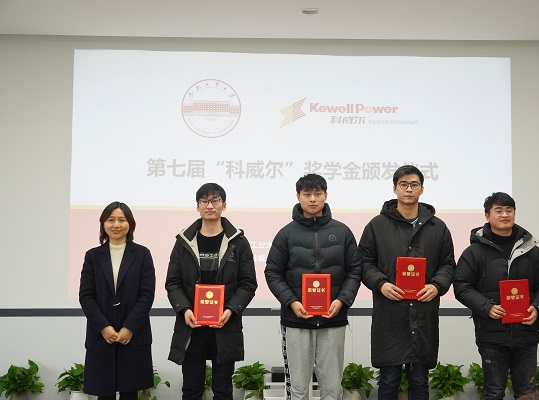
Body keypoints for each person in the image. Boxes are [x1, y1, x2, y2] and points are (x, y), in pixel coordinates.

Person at [359, 165, 456, 400]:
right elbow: (364, 263)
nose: (409, 189)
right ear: (395, 189)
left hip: (423, 313)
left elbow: (448, 264)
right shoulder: (377, 225)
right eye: (403, 184)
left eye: (414, 184)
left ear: (422, 189)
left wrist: (436, 286)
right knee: (388, 380)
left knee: (420, 381)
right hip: (389, 314)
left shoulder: (437, 227)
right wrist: (381, 284)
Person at [264, 173, 362, 400]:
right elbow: (272, 272)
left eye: (317, 194)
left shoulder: (342, 232)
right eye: (307, 194)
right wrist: (291, 302)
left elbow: (354, 270)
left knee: (332, 388)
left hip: (333, 318)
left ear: (326, 195)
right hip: (297, 320)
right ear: (298, 196)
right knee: (298, 389)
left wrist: (342, 300)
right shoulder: (286, 234)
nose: (312, 199)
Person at [453, 192, 539, 400]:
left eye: (509, 210)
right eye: (498, 210)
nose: (505, 215)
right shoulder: (474, 252)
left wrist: (538, 308)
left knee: (526, 393)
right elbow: (462, 286)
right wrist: (486, 307)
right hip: (491, 334)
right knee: (493, 392)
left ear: (514, 214)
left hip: (526, 333)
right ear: (487, 216)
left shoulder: (531, 250)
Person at [165, 183, 258, 400]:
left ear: (224, 205)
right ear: (197, 206)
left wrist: (231, 310)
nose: (210, 205)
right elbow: (173, 283)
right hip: (192, 326)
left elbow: (248, 283)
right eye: (204, 201)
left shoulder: (238, 242)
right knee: (191, 389)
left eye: (215, 200)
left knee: (223, 390)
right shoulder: (184, 242)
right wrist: (184, 309)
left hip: (225, 325)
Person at [79, 201, 156, 400]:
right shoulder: (92, 256)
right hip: (101, 335)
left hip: (133, 335)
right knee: (104, 392)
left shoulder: (142, 254)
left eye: (122, 220)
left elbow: (147, 294)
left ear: (130, 224)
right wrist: (103, 327)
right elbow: (86, 295)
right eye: (111, 220)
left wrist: (129, 327)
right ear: (103, 223)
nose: (116, 225)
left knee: (130, 392)